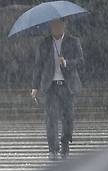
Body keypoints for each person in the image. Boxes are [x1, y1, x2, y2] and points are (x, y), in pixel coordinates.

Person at [31, 18, 84, 161]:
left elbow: (80, 60)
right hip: (50, 86)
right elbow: (38, 65)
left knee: (68, 118)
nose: (56, 28)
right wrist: (35, 86)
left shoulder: (73, 41)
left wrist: (66, 62)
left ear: (64, 25)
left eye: (59, 25)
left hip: (67, 86)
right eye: (53, 25)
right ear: (50, 26)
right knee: (51, 119)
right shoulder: (44, 43)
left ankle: (65, 145)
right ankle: (53, 149)